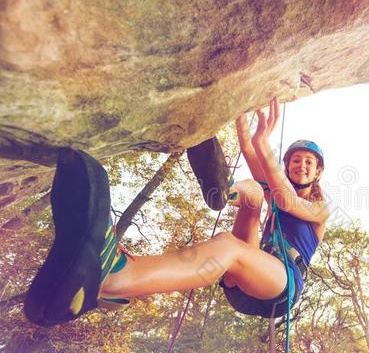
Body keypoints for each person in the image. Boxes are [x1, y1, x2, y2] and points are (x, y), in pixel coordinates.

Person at [24, 97, 329, 326]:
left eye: (308, 162)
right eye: (296, 159)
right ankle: (223, 190)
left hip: (282, 286)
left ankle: (118, 278)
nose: (301, 164)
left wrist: (264, 142)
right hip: (248, 280)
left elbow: (288, 202)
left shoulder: (320, 208)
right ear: (288, 165)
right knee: (253, 195)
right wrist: (240, 108)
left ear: (317, 172)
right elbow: (249, 150)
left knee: (229, 244)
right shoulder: (275, 189)